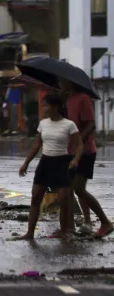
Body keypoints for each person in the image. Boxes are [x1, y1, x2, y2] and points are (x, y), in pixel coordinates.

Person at [10, 94, 83, 241]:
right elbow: (37, 145)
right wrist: (26, 163)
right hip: (45, 162)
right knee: (36, 196)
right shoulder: (43, 123)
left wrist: (75, 160)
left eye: (46, 105)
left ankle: (64, 230)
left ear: (55, 107)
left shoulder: (69, 125)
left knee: (63, 199)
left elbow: (79, 145)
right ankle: (29, 233)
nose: (44, 108)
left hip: (62, 163)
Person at [60, 79, 114, 238]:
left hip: (85, 151)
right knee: (68, 188)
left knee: (78, 188)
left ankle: (105, 222)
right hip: (72, 151)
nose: (60, 83)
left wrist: (78, 140)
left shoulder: (84, 99)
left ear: (71, 82)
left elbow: (90, 124)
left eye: (61, 81)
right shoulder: (69, 99)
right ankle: (69, 227)